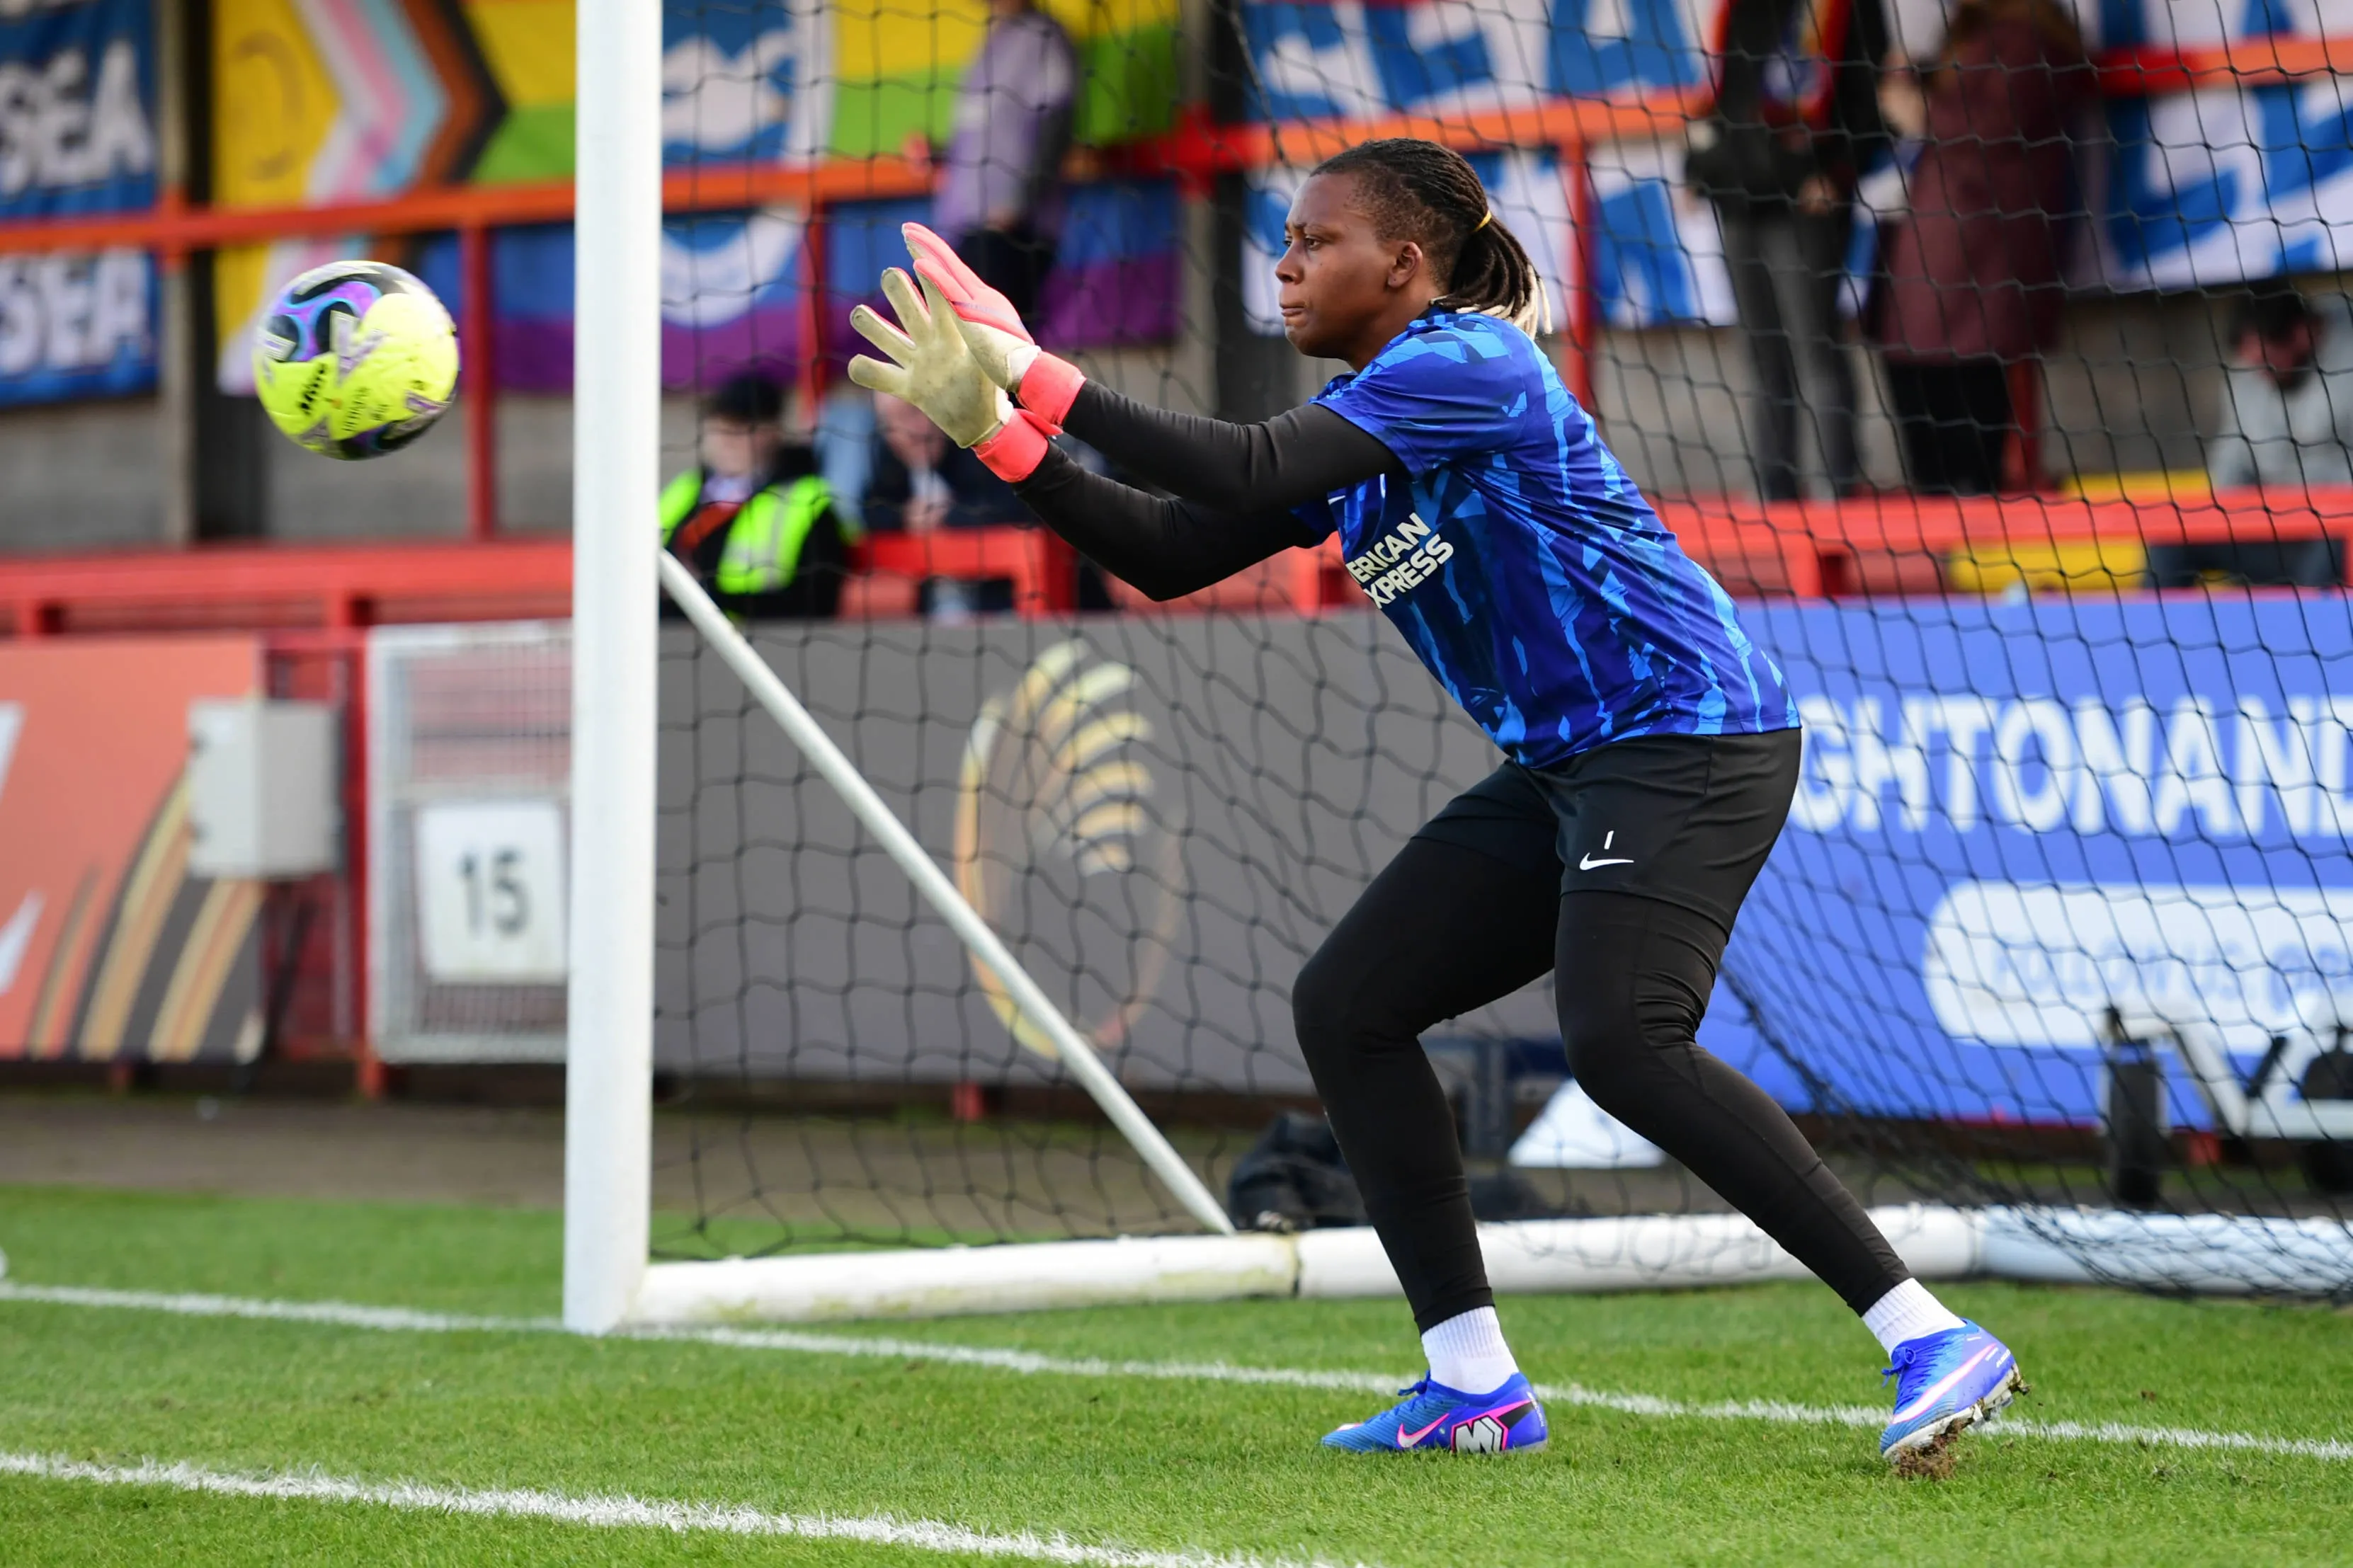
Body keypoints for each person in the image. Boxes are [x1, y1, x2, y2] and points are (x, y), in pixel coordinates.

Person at [845, 144, 2022, 1465]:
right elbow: (1170, 554)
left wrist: (1031, 372)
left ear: (1402, 264)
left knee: (1623, 1040)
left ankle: (1927, 1333)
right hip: (1568, 763)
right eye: (1280, 242)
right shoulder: (1363, 426)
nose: (1281, 267)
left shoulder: (1473, 364)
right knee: (1348, 1008)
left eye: (1312, 242)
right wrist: (998, 435)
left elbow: (1233, 466)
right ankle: (1473, 1384)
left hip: (1685, 734)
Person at [1869, 0, 2090, 496]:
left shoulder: (2035, 38)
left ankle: (1968, 510)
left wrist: (1920, 107)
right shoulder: (1971, 31)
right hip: (1940, 249)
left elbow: (1994, 120)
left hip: (1981, 252)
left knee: (1967, 394)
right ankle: (1944, 505)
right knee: (1920, 379)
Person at [1687, 0, 1889, 499]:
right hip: (1739, 198)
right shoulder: (1739, 11)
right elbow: (1726, 96)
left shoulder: (1845, 10)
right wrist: (1701, 167)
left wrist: (1837, 173)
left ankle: (1833, 496)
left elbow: (1870, 103)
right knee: (1760, 358)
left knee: (1813, 351)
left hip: (1803, 202)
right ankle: (1771, 498)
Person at [2151, 279, 2353, 588]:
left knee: (2331, 549)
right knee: (2169, 539)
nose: (2259, 373)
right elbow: (2231, 457)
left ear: (2302, 334)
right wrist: (2240, 515)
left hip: (2339, 531)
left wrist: (2302, 501)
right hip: (2274, 530)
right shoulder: (2247, 375)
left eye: (2267, 362)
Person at [659, 371, 857, 621]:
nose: (726, 441)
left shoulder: (809, 501)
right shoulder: (683, 490)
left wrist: (708, 595)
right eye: (717, 428)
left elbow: (816, 601)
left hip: (762, 644)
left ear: (772, 432)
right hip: (667, 637)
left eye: (739, 429)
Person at [930, 0, 1077, 321]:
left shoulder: (1043, 36)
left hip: (1011, 231)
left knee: (1004, 352)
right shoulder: (991, 42)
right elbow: (985, 132)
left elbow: (1057, 124)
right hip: (966, 228)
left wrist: (1018, 204)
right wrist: (939, 152)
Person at [865, 391, 1032, 617]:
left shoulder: (981, 441)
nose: (915, 429)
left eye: (918, 411)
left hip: (1006, 603)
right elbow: (870, 511)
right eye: (895, 421)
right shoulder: (890, 462)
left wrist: (947, 516)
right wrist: (906, 516)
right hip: (934, 611)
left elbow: (1015, 507)